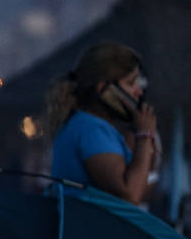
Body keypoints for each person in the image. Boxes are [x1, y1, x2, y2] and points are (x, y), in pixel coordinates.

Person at [46, 42, 159, 204]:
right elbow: (128, 195)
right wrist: (144, 136)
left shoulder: (92, 126)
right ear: (103, 89)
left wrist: (147, 157)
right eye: (130, 83)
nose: (138, 92)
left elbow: (141, 192)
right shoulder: (91, 129)